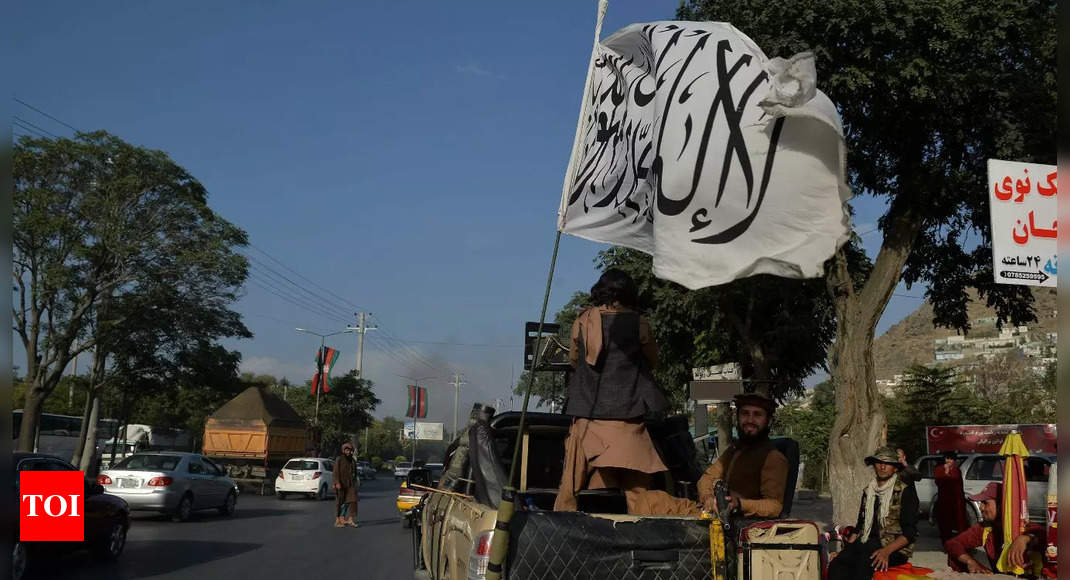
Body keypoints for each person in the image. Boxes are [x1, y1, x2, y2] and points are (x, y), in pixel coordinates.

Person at [553, 269, 669, 513]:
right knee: (640, 499)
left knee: (569, 492)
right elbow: (653, 361)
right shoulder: (640, 324)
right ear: (630, 295)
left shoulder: (582, 322)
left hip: (588, 420)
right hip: (629, 424)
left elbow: (575, 360)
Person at [828, 446, 919, 579]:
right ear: (874, 465)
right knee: (836, 564)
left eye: (888, 463)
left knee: (862, 565)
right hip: (867, 543)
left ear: (895, 468)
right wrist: (845, 552)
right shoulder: (868, 491)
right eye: (879, 462)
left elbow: (910, 533)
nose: (883, 466)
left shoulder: (905, 491)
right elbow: (860, 525)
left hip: (894, 548)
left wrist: (886, 552)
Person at [696, 393, 788, 519]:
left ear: (769, 421)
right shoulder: (734, 449)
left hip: (740, 523)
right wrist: (708, 497)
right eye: (745, 414)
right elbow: (707, 477)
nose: (750, 420)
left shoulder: (773, 458)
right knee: (659, 499)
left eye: (757, 415)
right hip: (712, 513)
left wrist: (739, 504)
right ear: (738, 418)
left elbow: (774, 506)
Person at [944, 481, 1046, 575]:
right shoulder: (985, 528)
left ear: (1001, 505)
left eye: (985, 503)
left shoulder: (1021, 524)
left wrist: (1026, 538)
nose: (981, 508)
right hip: (998, 575)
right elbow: (952, 544)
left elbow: (1044, 535)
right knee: (956, 557)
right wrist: (971, 561)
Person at [932, 451, 969, 548]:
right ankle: (946, 545)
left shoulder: (957, 470)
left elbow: (960, 486)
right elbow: (939, 482)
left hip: (957, 501)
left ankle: (961, 545)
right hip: (944, 501)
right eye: (947, 458)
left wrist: (962, 501)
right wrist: (946, 472)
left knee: (960, 524)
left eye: (951, 459)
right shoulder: (939, 469)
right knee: (945, 525)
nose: (948, 461)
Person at [333, 442, 360, 528]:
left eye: (351, 450)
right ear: (344, 450)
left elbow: (355, 473)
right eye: (348, 450)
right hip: (341, 483)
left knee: (353, 500)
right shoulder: (339, 459)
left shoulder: (352, 460)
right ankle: (338, 519)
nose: (350, 452)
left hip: (350, 484)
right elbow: (335, 472)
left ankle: (350, 519)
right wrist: (336, 482)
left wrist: (357, 482)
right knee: (340, 501)